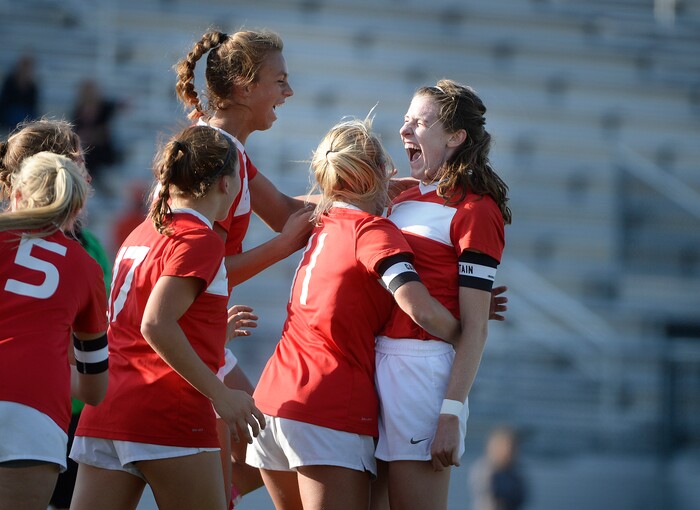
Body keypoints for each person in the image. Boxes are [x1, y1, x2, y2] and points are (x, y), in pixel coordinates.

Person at [245, 115, 466, 510]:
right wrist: (467, 332)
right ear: (374, 174)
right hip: (327, 406)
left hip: (273, 403)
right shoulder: (372, 230)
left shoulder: (324, 219)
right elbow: (418, 307)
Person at [69, 125, 265, 510]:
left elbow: (138, 323)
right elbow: (155, 324)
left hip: (108, 410)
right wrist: (221, 393)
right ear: (226, 184)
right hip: (167, 412)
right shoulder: (201, 237)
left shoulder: (144, 231)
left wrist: (210, 338)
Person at [175, 28, 315, 506]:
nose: (288, 92)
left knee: (264, 453)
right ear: (242, 85)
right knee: (265, 453)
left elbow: (287, 212)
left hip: (200, 332)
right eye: (280, 80)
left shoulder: (224, 148)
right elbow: (193, 275)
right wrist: (282, 247)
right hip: (182, 337)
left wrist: (366, 193)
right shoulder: (214, 154)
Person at [371, 79, 511, 510]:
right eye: (405, 120)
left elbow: (474, 330)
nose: (404, 131)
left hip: (422, 375)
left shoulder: (477, 209)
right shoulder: (403, 194)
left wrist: (451, 411)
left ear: (455, 137)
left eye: (420, 122)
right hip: (371, 363)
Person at [0, 118, 113, 510]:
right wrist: (44, 365)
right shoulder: (84, 265)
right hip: (36, 414)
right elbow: (95, 388)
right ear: (77, 200)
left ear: (17, 189)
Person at [71, 79, 122, 189]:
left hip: (104, 157)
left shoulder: (105, 109)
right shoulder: (77, 111)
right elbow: (80, 136)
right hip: (87, 158)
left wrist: (93, 135)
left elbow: (104, 134)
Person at [469, 425, 527, 510]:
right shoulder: (484, 468)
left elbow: (521, 497)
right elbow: (487, 491)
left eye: (513, 448)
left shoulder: (516, 471)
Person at [0, 54, 39, 134]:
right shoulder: (10, 81)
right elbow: (5, 101)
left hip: (25, 113)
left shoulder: (32, 85)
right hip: (11, 112)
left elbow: (32, 105)